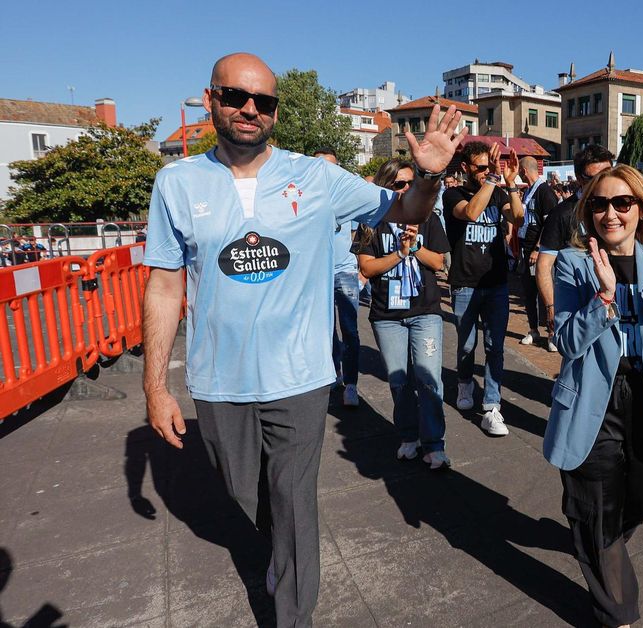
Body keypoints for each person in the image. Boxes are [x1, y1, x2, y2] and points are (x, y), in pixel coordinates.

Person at [140, 52, 463, 627]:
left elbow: (402, 211)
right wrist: (156, 386)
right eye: (236, 96)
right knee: (246, 496)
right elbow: (165, 286)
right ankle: (283, 558)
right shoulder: (177, 182)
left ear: (275, 112)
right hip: (219, 381)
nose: (249, 110)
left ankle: (293, 609)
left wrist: (433, 176)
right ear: (210, 98)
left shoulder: (315, 176)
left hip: (300, 377)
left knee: (293, 503)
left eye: (262, 102)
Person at [547, 164, 643, 627]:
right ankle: (619, 612)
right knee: (599, 512)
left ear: (640, 208)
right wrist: (604, 298)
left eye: (621, 203)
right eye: (599, 204)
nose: (610, 213)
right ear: (588, 212)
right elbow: (567, 342)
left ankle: (599, 540)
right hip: (596, 398)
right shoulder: (573, 263)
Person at [353, 159, 452, 470]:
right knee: (399, 381)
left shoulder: (427, 218)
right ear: (385, 186)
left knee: (429, 378)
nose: (407, 189)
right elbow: (366, 268)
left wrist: (415, 246)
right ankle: (409, 436)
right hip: (386, 316)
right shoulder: (370, 221)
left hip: (425, 312)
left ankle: (434, 444)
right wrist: (399, 254)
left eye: (411, 183)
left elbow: (439, 263)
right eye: (399, 184)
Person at [442, 141, 525, 436]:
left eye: (490, 167)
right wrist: (492, 178)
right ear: (465, 168)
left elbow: (518, 217)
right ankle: (464, 384)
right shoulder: (453, 194)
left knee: (495, 346)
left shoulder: (499, 191)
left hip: (496, 283)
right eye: (481, 167)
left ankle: (492, 406)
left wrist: (511, 183)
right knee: (466, 345)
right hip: (465, 283)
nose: (487, 171)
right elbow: (472, 212)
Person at [535, 144, 616, 354]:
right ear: (579, 178)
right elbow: (544, 266)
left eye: (607, 174)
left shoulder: (623, 206)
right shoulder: (562, 214)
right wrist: (552, 309)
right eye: (593, 178)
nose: (602, 183)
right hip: (579, 310)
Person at [313, 148, 363, 407]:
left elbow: (359, 234)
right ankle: (335, 372)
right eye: (321, 166)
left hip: (344, 271)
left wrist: (361, 270)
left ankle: (351, 384)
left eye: (331, 166)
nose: (327, 172)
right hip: (318, 274)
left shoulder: (347, 197)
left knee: (350, 330)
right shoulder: (307, 198)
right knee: (325, 330)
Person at [516, 156, 559, 347]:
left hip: (541, 253)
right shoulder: (527, 192)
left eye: (518, 170)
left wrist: (537, 248)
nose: (517, 173)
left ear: (524, 170)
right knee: (529, 292)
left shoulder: (545, 191)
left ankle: (552, 333)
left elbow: (550, 224)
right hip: (525, 249)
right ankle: (533, 330)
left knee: (546, 294)